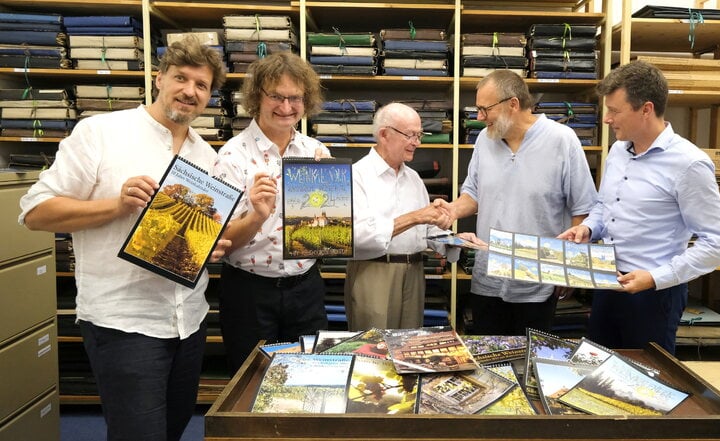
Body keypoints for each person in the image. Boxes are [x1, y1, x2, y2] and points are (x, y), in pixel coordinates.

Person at [18, 36, 227, 441]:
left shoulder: (206, 157)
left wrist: (210, 245)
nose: (189, 91)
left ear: (209, 96)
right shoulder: (101, 132)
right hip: (125, 323)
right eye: (181, 79)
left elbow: (194, 235)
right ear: (158, 78)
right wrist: (116, 206)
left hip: (188, 320)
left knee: (174, 426)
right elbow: (35, 212)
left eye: (201, 86)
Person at [557, 60, 720, 354]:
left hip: (654, 295)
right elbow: (604, 205)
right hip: (607, 283)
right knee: (596, 376)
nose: (606, 120)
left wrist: (655, 278)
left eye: (614, 111)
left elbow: (718, 243)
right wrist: (588, 227)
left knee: (646, 384)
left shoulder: (689, 164)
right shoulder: (617, 150)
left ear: (646, 109)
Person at [435, 69, 597, 336]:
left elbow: (582, 209)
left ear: (513, 104)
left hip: (538, 283)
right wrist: (452, 210)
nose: (478, 118)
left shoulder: (562, 140)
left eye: (484, 109)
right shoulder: (484, 143)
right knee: (487, 366)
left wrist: (570, 270)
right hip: (488, 280)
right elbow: (473, 194)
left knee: (529, 364)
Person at [212, 52, 329, 374]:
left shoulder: (315, 153)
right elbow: (218, 241)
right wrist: (257, 217)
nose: (286, 107)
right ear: (256, 98)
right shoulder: (232, 157)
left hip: (306, 287)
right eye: (276, 96)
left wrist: (331, 202)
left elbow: (326, 232)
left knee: (313, 376)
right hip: (249, 293)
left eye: (295, 98)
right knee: (252, 381)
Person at [346, 102, 454, 331]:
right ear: (384, 134)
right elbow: (357, 237)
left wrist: (453, 239)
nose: (418, 142)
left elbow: (428, 232)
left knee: (409, 351)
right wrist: (416, 217)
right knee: (373, 354)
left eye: (419, 134)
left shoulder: (414, 178)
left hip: (415, 272)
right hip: (373, 272)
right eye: (411, 135)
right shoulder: (356, 176)